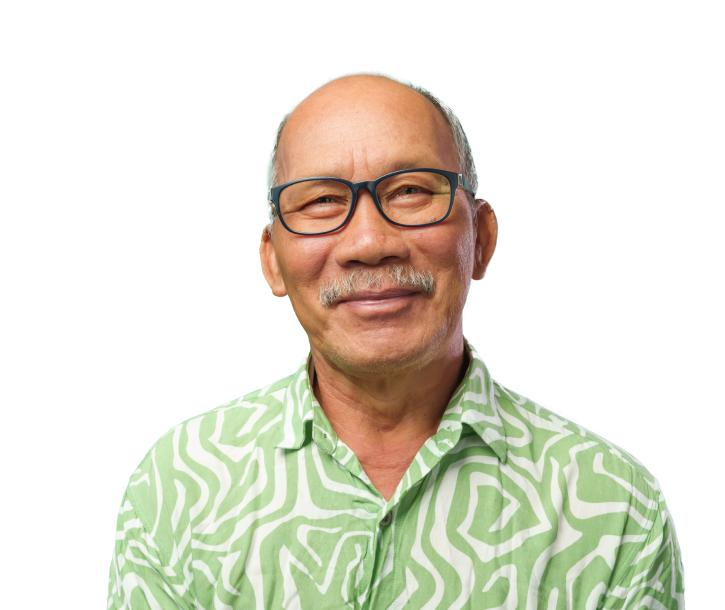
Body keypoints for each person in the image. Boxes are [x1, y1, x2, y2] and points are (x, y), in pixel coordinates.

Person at [107, 70, 687, 609]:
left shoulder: (614, 505)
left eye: (411, 191)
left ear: (482, 239)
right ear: (272, 261)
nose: (368, 241)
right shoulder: (178, 480)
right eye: (321, 201)